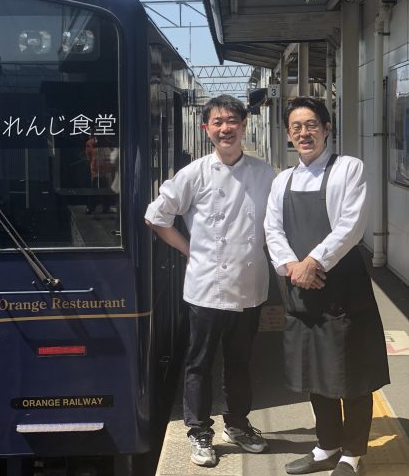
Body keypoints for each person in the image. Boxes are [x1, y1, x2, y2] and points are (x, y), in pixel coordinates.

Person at [145, 95, 275, 467]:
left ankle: (237, 424)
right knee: (199, 363)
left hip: (250, 285)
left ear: (244, 125)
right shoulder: (195, 173)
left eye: (232, 121)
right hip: (205, 288)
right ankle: (199, 432)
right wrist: (190, 251)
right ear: (206, 129)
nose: (225, 128)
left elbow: (278, 222)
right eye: (217, 122)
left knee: (240, 361)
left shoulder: (265, 174)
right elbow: (156, 216)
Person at [264, 97, 390, 476]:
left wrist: (313, 262)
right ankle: (326, 446)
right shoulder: (282, 180)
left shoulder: (349, 168)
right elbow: (272, 229)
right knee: (314, 373)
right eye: (296, 127)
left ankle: (352, 454)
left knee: (353, 374)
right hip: (301, 288)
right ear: (288, 134)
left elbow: (351, 225)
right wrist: (292, 266)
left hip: (343, 286)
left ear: (327, 128)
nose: (304, 133)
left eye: (312, 125)